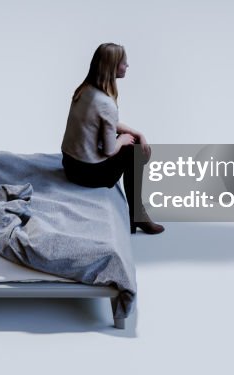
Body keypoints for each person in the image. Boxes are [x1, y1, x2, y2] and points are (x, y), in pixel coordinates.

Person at [61, 42, 165, 235]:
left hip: (69, 164)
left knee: (131, 142)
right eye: (124, 63)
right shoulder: (105, 102)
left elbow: (107, 122)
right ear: (112, 67)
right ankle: (138, 215)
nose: (127, 66)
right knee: (134, 153)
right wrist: (124, 140)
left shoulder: (84, 90)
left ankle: (137, 213)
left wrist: (136, 132)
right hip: (86, 174)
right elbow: (109, 150)